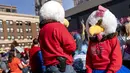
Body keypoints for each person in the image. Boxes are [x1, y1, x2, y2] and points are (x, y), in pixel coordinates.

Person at [85, 5, 130, 73]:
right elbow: (88, 59)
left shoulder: (112, 40)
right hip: (96, 70)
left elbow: (116, 59)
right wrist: (89, 70)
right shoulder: (92, 42)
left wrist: (110, 71)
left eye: (99, 24)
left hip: (112, 70)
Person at [39, 1, 76, 73]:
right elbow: (71, 46)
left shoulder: (42, 31)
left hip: (49, 66)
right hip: (62, 66)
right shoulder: (58, 26)